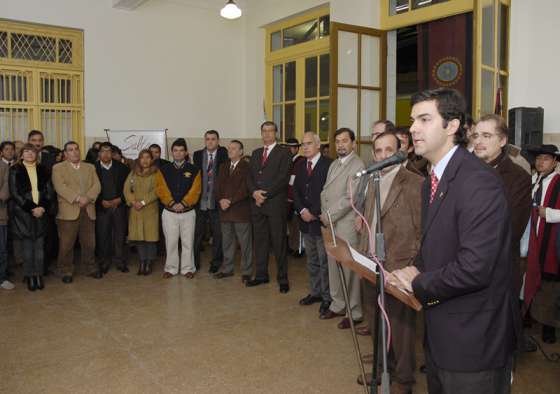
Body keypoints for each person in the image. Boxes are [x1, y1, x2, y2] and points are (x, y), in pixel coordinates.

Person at [389, 88, 518, 394]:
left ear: (452, 125)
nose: (413, 128)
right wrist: (413, 268)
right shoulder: (433, 179)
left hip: (474, 340)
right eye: (412, 120)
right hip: (442, 331)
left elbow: (475, 268)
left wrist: (417, 283)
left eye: (424, 119)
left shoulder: (478, 181)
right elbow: (437, 243)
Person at [355, 132, 423, 392]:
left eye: (389, 150)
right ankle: (383, 370)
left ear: (401, 151)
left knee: (400, 328)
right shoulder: (374, 180)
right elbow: (370, 222)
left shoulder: (414, 182)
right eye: (379, 151)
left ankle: (404, 379)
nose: (384, 156)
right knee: (376, 323)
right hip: (371, 265)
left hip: (399, 266)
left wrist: (411, 268)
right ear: (373, 155)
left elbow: (421, 231)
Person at [473, 115, 534, 352]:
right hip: (462, 268)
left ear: (502, 141)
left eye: (486, 136)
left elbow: (510, 229)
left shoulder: (518, 177)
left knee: (497, 343)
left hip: (498, 269)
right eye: (476, 135)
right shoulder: (461, 172)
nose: (478, 141)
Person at [319, 128, 365, 328]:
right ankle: (338, 304)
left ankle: (354, 311)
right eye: (337, 141)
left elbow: (350, 198)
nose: (340, 145)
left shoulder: (358, 164)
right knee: (334, 266)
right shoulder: (335, 164)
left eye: (345, 141)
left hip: (345, 224)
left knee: (349, 270)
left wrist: (328, 215)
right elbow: (327, 192)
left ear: (353, 144)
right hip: (331, 223)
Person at [246, 121, 292, 293]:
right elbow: (249, 177)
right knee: (260, 241)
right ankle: (261, 275)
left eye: (270, 131)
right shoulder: (256, 153)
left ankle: (283, 278)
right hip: (257, 205)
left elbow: (283, 179)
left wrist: (263, 195)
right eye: (263, 131)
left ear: (276, 133)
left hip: (274, 204)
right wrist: (254, 193)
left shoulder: (284, 152)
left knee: (278, 242)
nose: (266, 134)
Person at [293, 132, 332, 315]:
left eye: (309, 143)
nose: (305, 147)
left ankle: (327, 297)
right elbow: (296, 191)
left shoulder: (329, 165)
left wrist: (314, 212)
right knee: (312, 260)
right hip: (305, 221)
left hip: (320, 221)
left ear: (318, 145)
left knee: (325, 261)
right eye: (303, 144)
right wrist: (302, 211)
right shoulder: (300, 165)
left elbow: (329, 192)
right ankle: (315, 292)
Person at [524, 144, 560, 344]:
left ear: (555, 162)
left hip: (551, 242)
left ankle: (549, 327)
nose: (540, 162)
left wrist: (552, 214)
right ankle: (530, 317)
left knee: (550, 285)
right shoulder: (533, 181)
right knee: (530, 277)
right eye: (538, 158)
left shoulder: (559, 182)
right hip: (532, 240)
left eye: (546, 158)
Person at [52, 141, 101, 283]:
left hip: (88, 209)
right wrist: (78, 198)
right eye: (70, 150)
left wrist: (88, 198)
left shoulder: (90, 167)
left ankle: (89, 267)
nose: (74, 152)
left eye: (76, 149)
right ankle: (65, 270)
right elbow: (60, 187)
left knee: (89, 243)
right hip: (68, 211)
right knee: (66, 244)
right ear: (65, 154)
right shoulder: (58, 168)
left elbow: (96, 185)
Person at [8, 144, 55, 291]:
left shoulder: (44, 170)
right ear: (21, 155)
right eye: (26, 151)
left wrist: (41, 207)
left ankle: (38, 275)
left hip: (41, 212)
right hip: (24, 214)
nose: (29, 154)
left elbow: (49, 192)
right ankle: (29, 275)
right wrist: (31, 208)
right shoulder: (15, 170)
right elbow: (15, 193)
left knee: (40, 248)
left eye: (32, 152)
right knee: (28, 248)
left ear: (37, 155)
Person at [155, 138, 201, 279]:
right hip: (169, 212)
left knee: (188, 241)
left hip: (188, 212)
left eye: (181, 150)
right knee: (171, 241)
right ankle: (171, 268)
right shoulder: (164, 170)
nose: (178, 153)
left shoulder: (194, 170)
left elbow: (196, 190)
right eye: (175, 150)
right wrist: (171, 203)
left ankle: (188, 269)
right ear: (172, 152)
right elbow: (160, 189)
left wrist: (185, 203)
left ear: (186, 152)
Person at [213, 140, 253, 282]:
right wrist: (220, 200)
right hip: (224, 211)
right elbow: (216, 187)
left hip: (240, 211)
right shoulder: (223, 166)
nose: (230, 151)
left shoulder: (247, 167)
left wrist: (229, 200)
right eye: (229, 148)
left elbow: (245, 188)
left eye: (234, 148)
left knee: (245, 243)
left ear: (241, 151)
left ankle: (246, 271)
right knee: (227, 242)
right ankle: (228, 269)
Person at [193, 130, 228, 272]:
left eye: (213, 139)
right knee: (197, 234)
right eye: (207, 139)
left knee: (217, 234)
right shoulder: (197, 155)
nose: (210, 142)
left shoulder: (223, 154)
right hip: (200, 200)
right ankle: (194, 262)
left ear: (218, 141)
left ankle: (216, 262)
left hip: (216, 200)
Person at [95, 142, 131, 274]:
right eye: (103, 151)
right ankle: (104, 262)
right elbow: (90, 188)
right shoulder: (93, 168)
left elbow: (129, 188)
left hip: (119, 206)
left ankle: (120, 261)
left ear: (113, 153)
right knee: (103, 236)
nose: (106, 154)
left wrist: (120, 199)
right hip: (102, 207)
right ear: (99, 154)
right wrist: (100, 201)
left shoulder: (122, 168)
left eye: (108, 151)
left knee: (120, 235)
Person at [124, 149, 159, 276]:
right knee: (139, 239)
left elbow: (157, 191)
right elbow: (126, 190)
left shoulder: (156, 174)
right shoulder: (133, 173)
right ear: (139, 159)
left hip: (149, 210)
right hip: (136, 211)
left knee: (150, 239)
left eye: (148, 157)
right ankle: (142, 262)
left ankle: (149, 263)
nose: (145, 160)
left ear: (152, 159)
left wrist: (143, 202)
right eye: (142, 157)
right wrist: (133, 202)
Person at [286, 137, 305, 257]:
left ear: (297, 149)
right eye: (287, 147)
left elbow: (297, 182)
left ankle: (299, 248)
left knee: (298, 226)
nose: (289, 150)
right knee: (291, 226)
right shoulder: (287, 161)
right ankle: (292, 246)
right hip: (287, 199)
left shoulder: (300, 161)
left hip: (296, 199)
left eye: (292, 147)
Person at [0, 156, 13, 291]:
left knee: (2, 250)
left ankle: (2, 278)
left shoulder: (4, 167)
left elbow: (5, 189)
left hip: (1, 214)